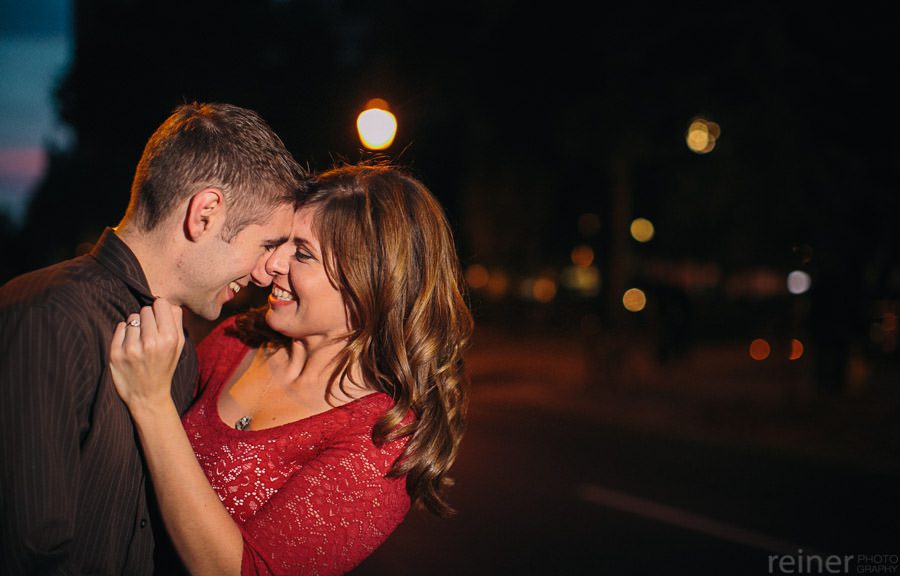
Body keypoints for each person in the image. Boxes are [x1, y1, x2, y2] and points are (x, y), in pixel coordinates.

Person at [107, 163, 474, 575]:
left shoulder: (381, 437)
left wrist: (151, 405)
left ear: (370, 284)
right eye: (279, 243)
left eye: (302, 253)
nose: (269, 266)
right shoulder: (236, 339)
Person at [0, 102, 304, 574]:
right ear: (204, 215)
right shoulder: (49, 316)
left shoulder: (176, 346)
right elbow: (28, 556)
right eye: (266, 245)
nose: (267, 273)